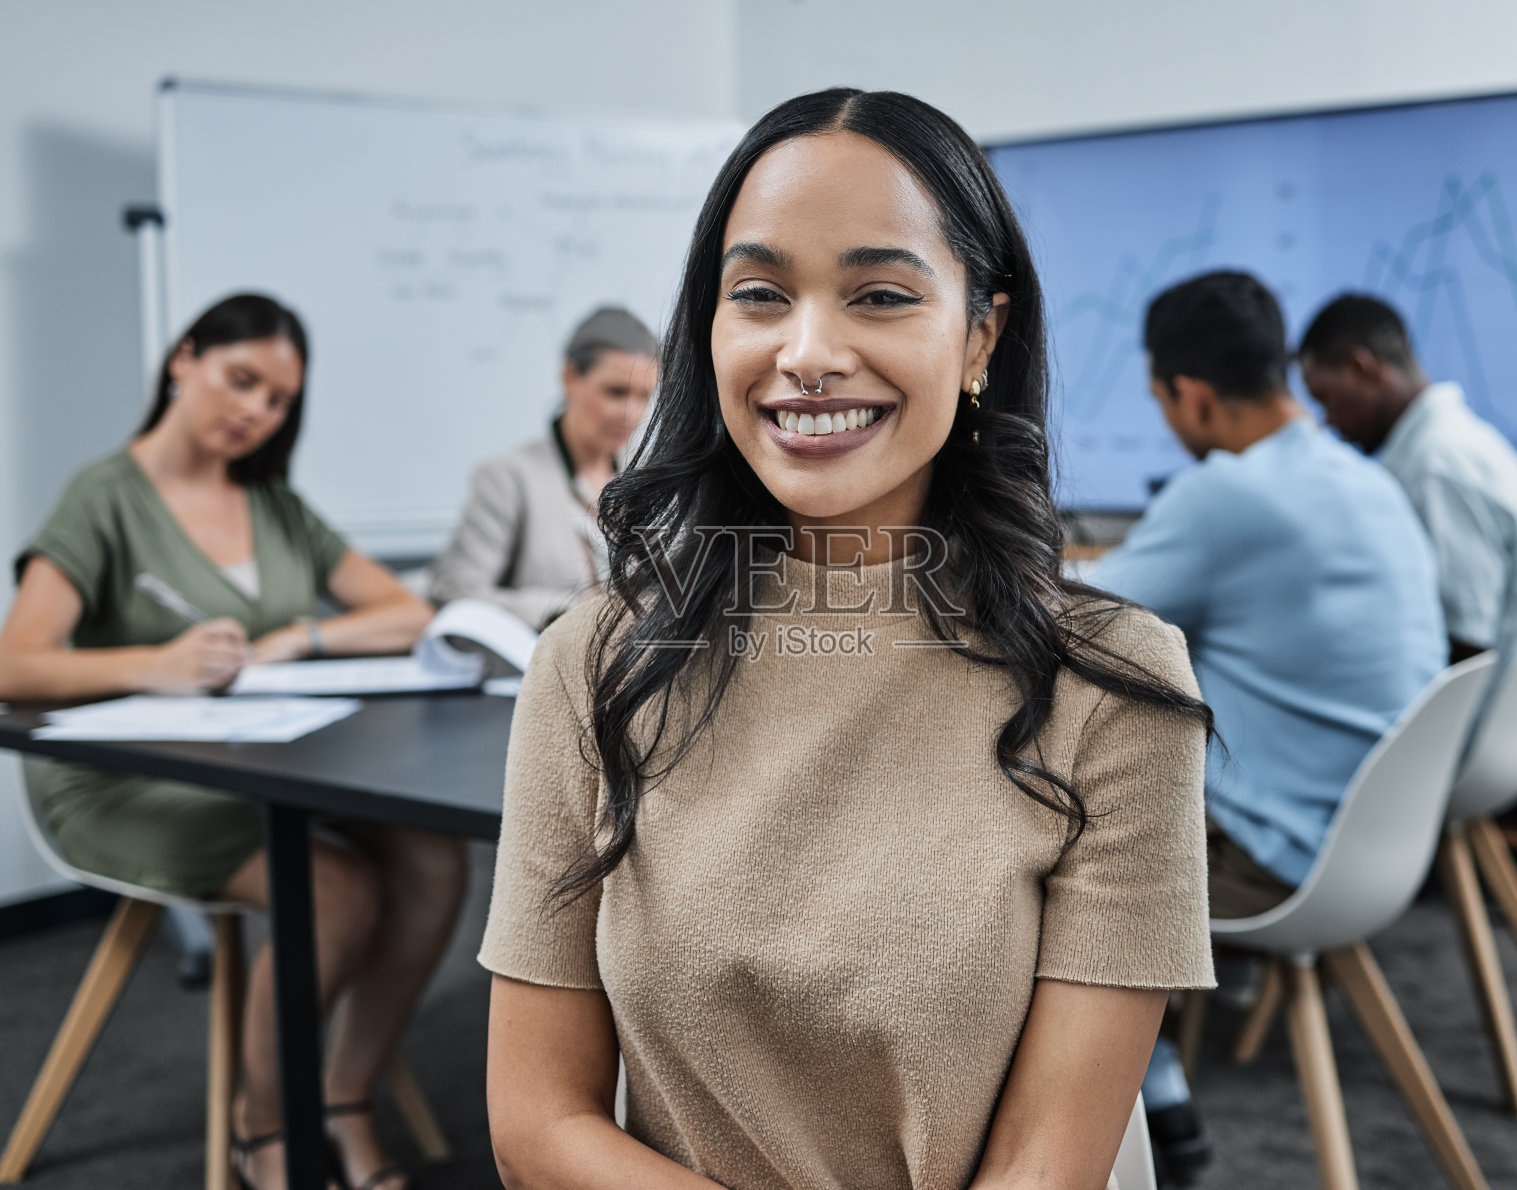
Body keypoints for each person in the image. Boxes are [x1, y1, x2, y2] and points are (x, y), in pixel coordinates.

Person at [478, 88, 1217, 1190]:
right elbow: (537, 1122)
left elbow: (1046, 1168)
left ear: (980, 333)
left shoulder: (1108, 685)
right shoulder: (593, 662)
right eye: (760, 294)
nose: (807, 352)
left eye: (878, 294)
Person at [0, 294, 467, 1190]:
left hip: (264, 763)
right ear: (184, 360)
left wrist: (305, 636)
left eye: (279, 400)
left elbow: (408, 612)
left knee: (433, 860)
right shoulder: (104, 498)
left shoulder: (275, 503)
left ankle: (341, 1095)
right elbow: (16, 666)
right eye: (241, 380)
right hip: (123, 784)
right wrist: (157, 662)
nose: (256, 412)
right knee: (333, 890)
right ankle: (266, 1133)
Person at [1092, 271, 1447, 1183]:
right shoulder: (1364, 476)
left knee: (1037, 834)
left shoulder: (1226, 497)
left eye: (1160, 401)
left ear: (1193, 395)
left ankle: (1156, 1098)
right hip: (1377, 837)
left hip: (1277, 860)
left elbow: (1072, 615)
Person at [1298, 293, 1517, 672]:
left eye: (1326, 398)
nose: (1329, 421)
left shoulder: (1434, 466)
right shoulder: (1460, 438)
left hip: (1466, 718)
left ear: (1360, 368)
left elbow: (1464, 641)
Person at [428, 306, 658, 628]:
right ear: (569, 378)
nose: (631, 414)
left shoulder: (652, 475)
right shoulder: (509, 478)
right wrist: (564, 609)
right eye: (615, 392)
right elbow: (454, 591)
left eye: (644, 396)